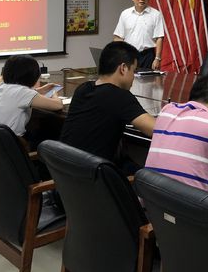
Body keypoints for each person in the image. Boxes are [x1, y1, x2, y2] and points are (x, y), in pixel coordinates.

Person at [60, 41, 155, 173]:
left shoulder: (82, 89)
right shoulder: (120, 96)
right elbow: (155, 129)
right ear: (123, 68)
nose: (133, 77)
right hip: (95, 176)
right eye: (133, 71)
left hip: (67, 173)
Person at [0, 54, 63, 143]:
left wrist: (40, 90)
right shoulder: (23, 93)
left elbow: (17, 96)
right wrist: (54, 93)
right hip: (11, 143)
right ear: (32, 75)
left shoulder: (1, 86)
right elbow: (58, 105)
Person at [113, 0, 165, 70]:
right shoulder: (125, 14)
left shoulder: (156, 14)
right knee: (129, 78)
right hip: (129, 55)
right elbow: (117, 37)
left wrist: (157, 58)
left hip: (147, 55)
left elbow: (159, 37)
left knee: (148, 78)